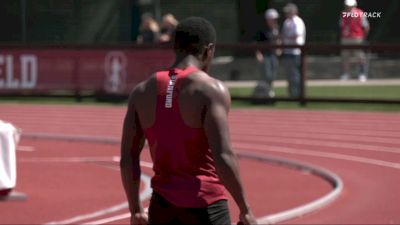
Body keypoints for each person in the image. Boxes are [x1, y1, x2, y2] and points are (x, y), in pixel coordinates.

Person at [120, 17, 257, 225]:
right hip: (206, 205)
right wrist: (245, 209)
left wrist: (136, 210)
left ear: (175, 47)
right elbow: (223, 155)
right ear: (208, 50)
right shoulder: (210, 90)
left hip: (162, 208)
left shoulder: (141, 92)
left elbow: (128, 158)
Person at [253, 8, 281, 99]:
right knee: (266, 74)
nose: (274, 21)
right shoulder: (262, 31)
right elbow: (256, 42)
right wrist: (258, 53)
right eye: (272, 19)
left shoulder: (276, 29)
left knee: (273, 74)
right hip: (265, 55)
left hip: (273, 55)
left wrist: (279, 48)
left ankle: (268, 90)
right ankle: (264, 92)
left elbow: (278, 39)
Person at [340, 0, 369, 82]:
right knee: (345, 57)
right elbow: (341, 25)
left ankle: (361, 74)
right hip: (346, 38)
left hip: (357, 38)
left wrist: (363, 37)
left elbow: (366, 27)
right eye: (348, 5)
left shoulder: (360, 13)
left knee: (360, 57)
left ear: (354, 5)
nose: (349, 7)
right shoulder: (343, 14)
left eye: (350, 6)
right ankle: (346, 74)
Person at [281, 3, 306, 98]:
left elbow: (296, 35)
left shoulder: (298, 21)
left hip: (296, 52)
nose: (287, 13)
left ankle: (297, 94)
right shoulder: (287, 22)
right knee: (289, 74)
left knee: (295, 74)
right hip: (287, 51)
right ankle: (291, 93)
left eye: (289, 11)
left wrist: (286, 37)